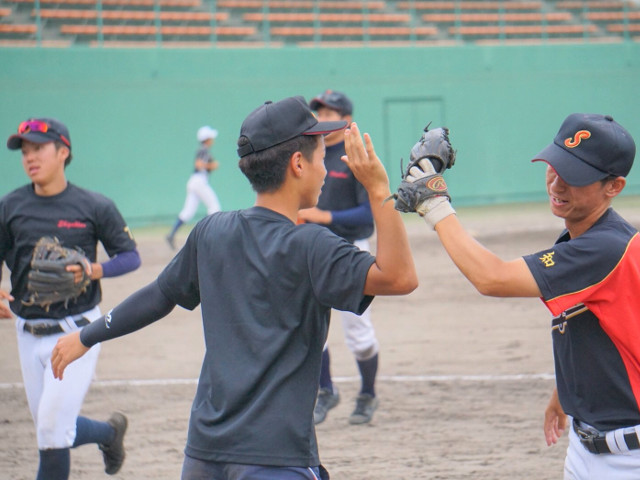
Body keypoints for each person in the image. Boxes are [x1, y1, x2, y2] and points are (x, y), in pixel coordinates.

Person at [49, 96, 418, 480]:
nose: (325, 169)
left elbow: (159, 296)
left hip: (204, 454)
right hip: (274, 458)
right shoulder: (312, 245)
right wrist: (378, 190)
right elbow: (400, 277)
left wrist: (86, 337)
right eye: (321, 157)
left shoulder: (212, 231)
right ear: (297, 164)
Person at [398, 113, 639, 479]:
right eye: (555, 166)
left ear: (614, 187)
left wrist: (435, 205)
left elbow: (491, 278)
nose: (557, 183)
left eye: (575, 176)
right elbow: (605, 328)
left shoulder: (606, 248)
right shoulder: (591, 238)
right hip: (587, 444)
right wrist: (566, 392)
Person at [0, 117, 142, 479]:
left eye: (38, 148)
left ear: (63, 152)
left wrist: (95, 270)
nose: (30, 157)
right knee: (52, 427)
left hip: (77, 332)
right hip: (25, 330)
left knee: (50, 429)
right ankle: (109, 434)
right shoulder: (10, 207)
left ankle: (107, 434)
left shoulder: (93, 206)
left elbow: (130, 256)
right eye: (24, 151)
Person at [299, 89, 380, 425]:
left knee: (359, 335)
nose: (324, 116)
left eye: (332, 112)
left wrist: (325, 217)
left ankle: (368, 394)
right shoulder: (308, 154)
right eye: (320, 111)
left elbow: (367, 217)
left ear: (346, 118)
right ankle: (326, 390)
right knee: (308, 329)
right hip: (311, 251)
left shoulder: (354, 155)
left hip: (350, 252)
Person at [166, 125, 221, 250]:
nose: (213, 139)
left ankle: (171, 234)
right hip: (199, 181)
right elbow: (198, 164)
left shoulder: (204, 149)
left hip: (194, 181)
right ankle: (212, 235)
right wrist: (211, 165)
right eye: (211, 137)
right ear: (206, 139)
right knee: (214, 206)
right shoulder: (203, 149)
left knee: (188, 212)